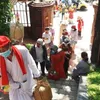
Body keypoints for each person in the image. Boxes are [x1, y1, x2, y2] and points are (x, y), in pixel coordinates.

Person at [0, 36, 40, 100]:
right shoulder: (1, 57)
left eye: (4, 48)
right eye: (0, 50)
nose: (2, 52)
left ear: (10, 45)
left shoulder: (22, 50)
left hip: (26, 83)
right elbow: (4, 74)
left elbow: (31, 63)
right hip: (13, 87)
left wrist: (37, 75)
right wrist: (14, 85)